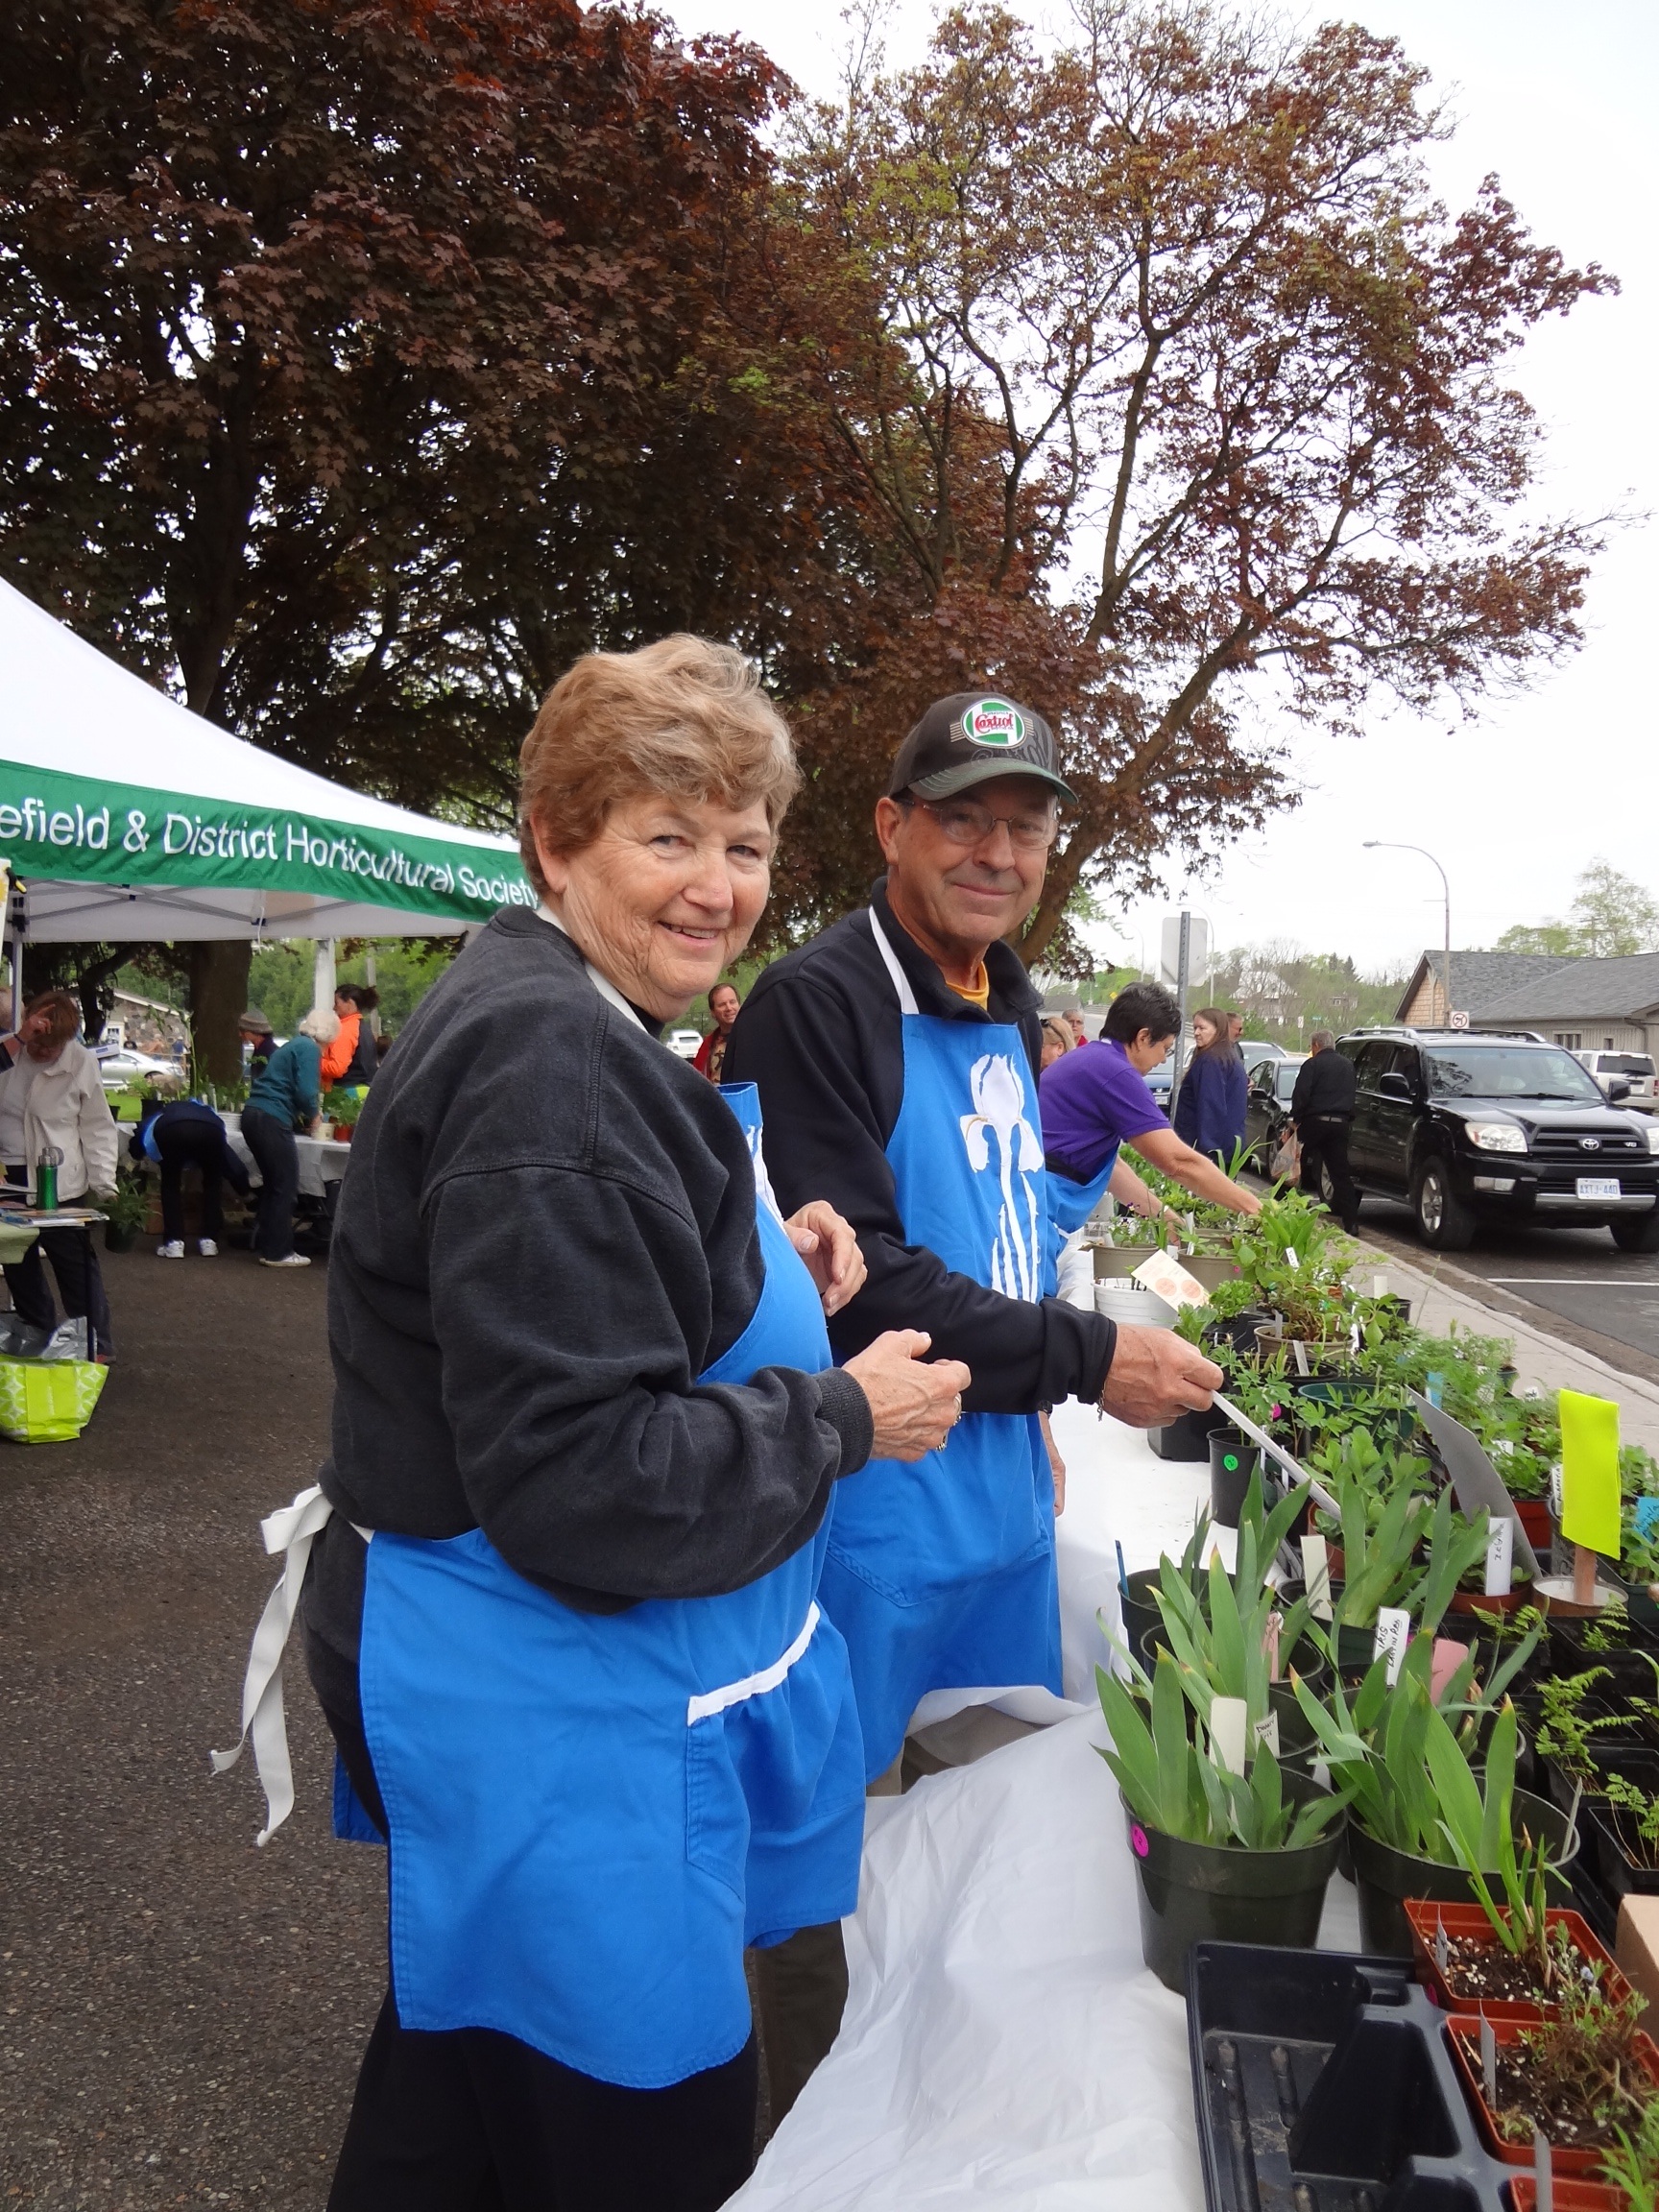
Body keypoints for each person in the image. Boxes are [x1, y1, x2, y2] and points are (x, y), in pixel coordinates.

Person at [216, 635, 966, 2210]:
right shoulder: (547, 1061)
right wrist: (837, 1411)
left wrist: (761, 1256)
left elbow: (598, 1282)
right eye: (664, 833)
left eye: (745, 843)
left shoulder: (577, 1017)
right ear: (557, 839)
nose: (715, 883)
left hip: (544, 1711)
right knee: (641, 2134)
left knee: (460, 2096)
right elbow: (583, 1482)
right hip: (561, 1719)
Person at [726, 690, 1221, 2100]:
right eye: (964, 819)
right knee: (824, 1858)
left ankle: (933, 2117)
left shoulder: (1003, 1000)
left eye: (1026, 826)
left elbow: (996, 1237)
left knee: (978, 1861)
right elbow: (865, 1283)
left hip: (991, 1507)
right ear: (894, 827)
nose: (997, 852)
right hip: (866, 1526)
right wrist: (1084, 1363)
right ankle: (799, 2141)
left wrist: (1031, 1416)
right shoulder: (819, 1006)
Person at [1040, 982, 1262, 1268]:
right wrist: (1254, 1208)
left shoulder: (1092, 1059)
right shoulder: (1114, 1071)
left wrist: (1164, 1217)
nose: (1161, 1060)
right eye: (1165, 1048)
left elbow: (1109, 1167)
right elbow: (1178, 1162)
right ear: (1143, 1037)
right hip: (1037, 1207)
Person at [0, 990, 120, 1357]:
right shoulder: (9, 1053)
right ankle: (38, 1331)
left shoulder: (81, 1061)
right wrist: (21, 1039)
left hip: (60, 1177)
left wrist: (104, 1181)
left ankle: (94, 1342)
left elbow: (98, 1125)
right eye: (38, 1043)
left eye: (51, 1047)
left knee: (74, 1263)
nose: (42, 1053)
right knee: (17, 1261)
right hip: (11, 1176)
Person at [241, 1008, 337, 1268]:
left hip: (254, 1114)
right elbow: (307, 1091)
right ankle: (279, 1252)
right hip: (272, 1117)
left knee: (273, 1185)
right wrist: (314, 1115)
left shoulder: (294, 1045)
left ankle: (269, 1244)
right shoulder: (309, 1049)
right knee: (286, 1185)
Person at [132, 1095, 252, 1258]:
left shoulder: (164, 1112)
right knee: (212, 1183)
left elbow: (141, 1132)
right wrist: (243, 1187)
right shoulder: (208, 1114)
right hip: (212, 1132)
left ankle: (174, 1243)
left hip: (172, 1130)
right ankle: (209, 1241)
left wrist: (135, 1153)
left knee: (171, 1185)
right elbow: (228, 1159)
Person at [1290, 1028, 1359, 1233]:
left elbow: (1301, 1094)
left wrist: (1296, 1119)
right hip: (1340, 1124)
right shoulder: (1348, 1066)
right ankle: (1352, 1223)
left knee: (1294, 1164)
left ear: (1315, 1046)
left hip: (1314, 1122)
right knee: (1340, 1173)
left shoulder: (1312, 1064)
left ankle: (1285, 1209)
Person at [1172, 1006, 1248, 1166]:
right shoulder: (1227, 1056)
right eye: (1194, 1028)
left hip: (1209, 1153)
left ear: (1218, 1030)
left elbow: (1210, 1107)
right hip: (1226, 1148)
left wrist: (1207, 1152)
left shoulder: (1211, 1061)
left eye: (1202, 1028)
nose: (1196, 1033)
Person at [321, 984, 379, 1093]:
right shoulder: (362, 1027)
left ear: (350, 1003)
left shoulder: (346, 1029)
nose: (334, 1008)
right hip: (365, 1090)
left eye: (336, 1003)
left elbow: (337, 1068)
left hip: (347, 1094)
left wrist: (314, 1061)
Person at [692, 981, 740, 1080]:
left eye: (732, 1002)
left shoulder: (753, 1037)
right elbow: (697, 1079)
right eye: (722, 1004)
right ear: (713, 1013)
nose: (729, 1008)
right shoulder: (707, 1046)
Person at [238, 1009, 279, 1080]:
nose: (239, 1035)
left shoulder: (270, 1055)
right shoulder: (260, 1050)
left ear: (251, 1032)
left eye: (242, 1031)